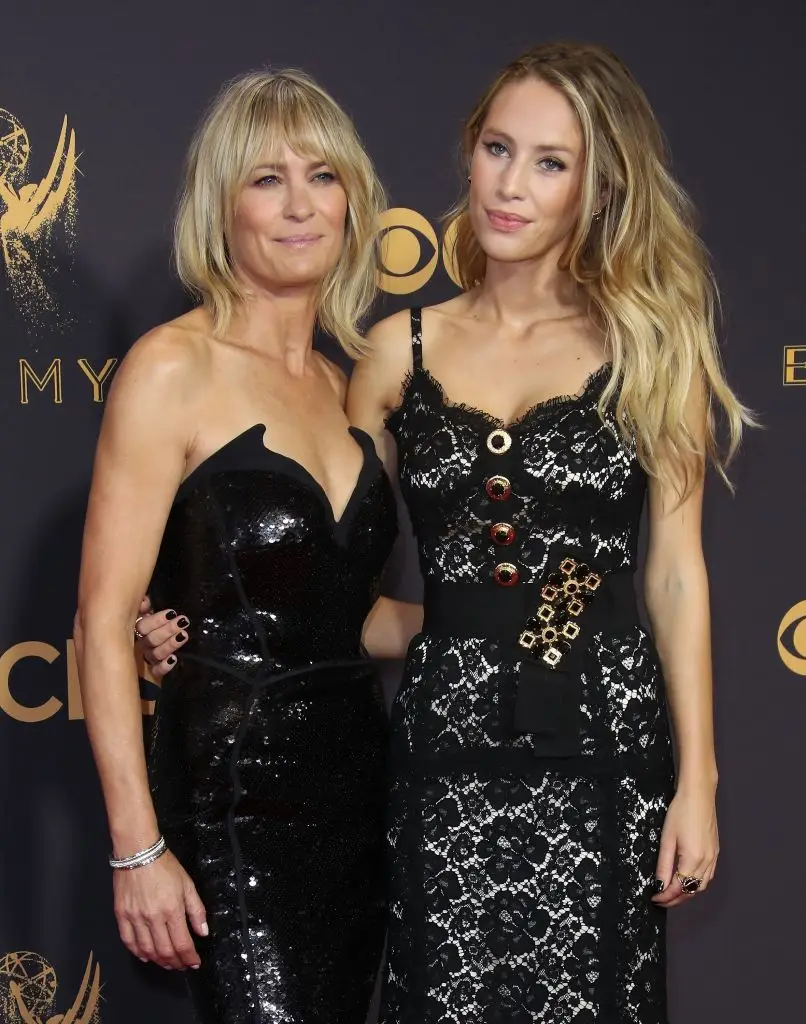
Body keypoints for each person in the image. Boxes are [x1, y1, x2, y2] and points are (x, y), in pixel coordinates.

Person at [138, 43, 752, 1023]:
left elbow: (674, 576)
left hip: (601, 742)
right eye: (497, 148)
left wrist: (698, 783)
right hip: (443, 750)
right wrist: (196, 628)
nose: (511, 186)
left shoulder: (648, 348)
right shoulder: (393, 350)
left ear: (597, 188)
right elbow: (326, 565)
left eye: (549, 162)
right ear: (467, 155)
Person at [74, 69, 405, 1024]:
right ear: (222, 206)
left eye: (322, 175)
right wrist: (136, 847)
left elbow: (352, 617)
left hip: (362, 789)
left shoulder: (346, 385)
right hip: (235, 800)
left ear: (354, 196)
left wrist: (491, 627)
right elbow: (102, 622)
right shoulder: (171, 368)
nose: (301, 205)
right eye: (266, 179)